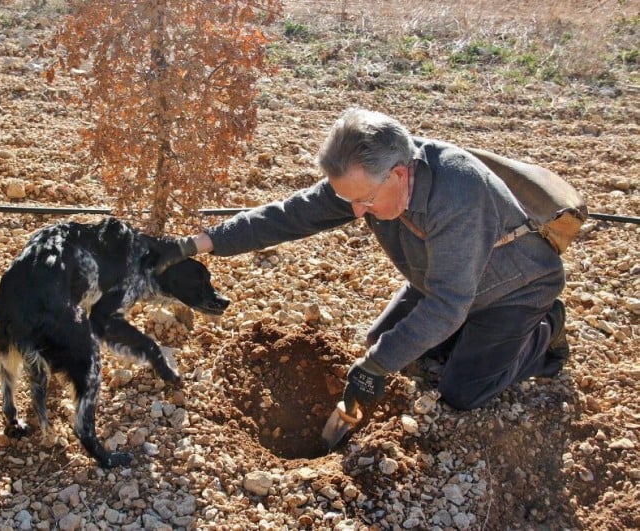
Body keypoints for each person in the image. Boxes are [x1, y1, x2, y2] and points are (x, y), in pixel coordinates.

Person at [154, 107, 569, 412]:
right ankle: (471, 342)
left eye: (364, 201)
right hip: (440, 280)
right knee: (385, 344)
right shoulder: (367, 182)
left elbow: (447, 305)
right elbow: (289, 216)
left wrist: (375, 368)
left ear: (400, 174)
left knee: (461, 392)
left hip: (512, 288)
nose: (355, 212)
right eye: (348, 199)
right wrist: (195, 245)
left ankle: (545, 329)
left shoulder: (458, 197)